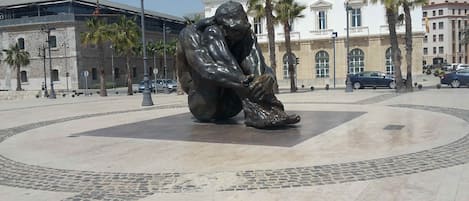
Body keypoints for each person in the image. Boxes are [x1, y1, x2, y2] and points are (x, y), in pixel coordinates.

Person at [176, 1, 300, 129]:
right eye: (236, 31)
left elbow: (259, 65)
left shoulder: (245, 34)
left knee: (258, 68)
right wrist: (243, 81)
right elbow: (206, 69)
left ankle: (271, 110)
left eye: (243, 29)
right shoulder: (191, 34)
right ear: (222, 26)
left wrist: (267, 78)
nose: (240, 35)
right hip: (203, 105)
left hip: (231, 106)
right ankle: (256, 111)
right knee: (213, 35)